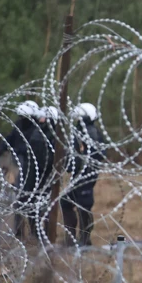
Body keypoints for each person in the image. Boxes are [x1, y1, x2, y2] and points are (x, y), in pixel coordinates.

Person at [0, 101, 54, 241]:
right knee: (20, 199)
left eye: (24, 117)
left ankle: (35, 232)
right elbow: (11, 138)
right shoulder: (20, 126)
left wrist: (16, 150)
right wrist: (3, 146)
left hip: (30, 166)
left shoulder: (36, 130)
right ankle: (19, 231)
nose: (22, 119)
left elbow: (31, 149)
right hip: (20, 165)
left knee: (30, 200)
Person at [61, 103, 106, 247]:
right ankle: (71, 238)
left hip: (85, 176)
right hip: (79, 175)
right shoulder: (81, 132)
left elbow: (97, 155)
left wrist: (78, 166)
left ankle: (85, 240)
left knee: (83, 206)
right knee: (66, 202)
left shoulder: (90, 133)